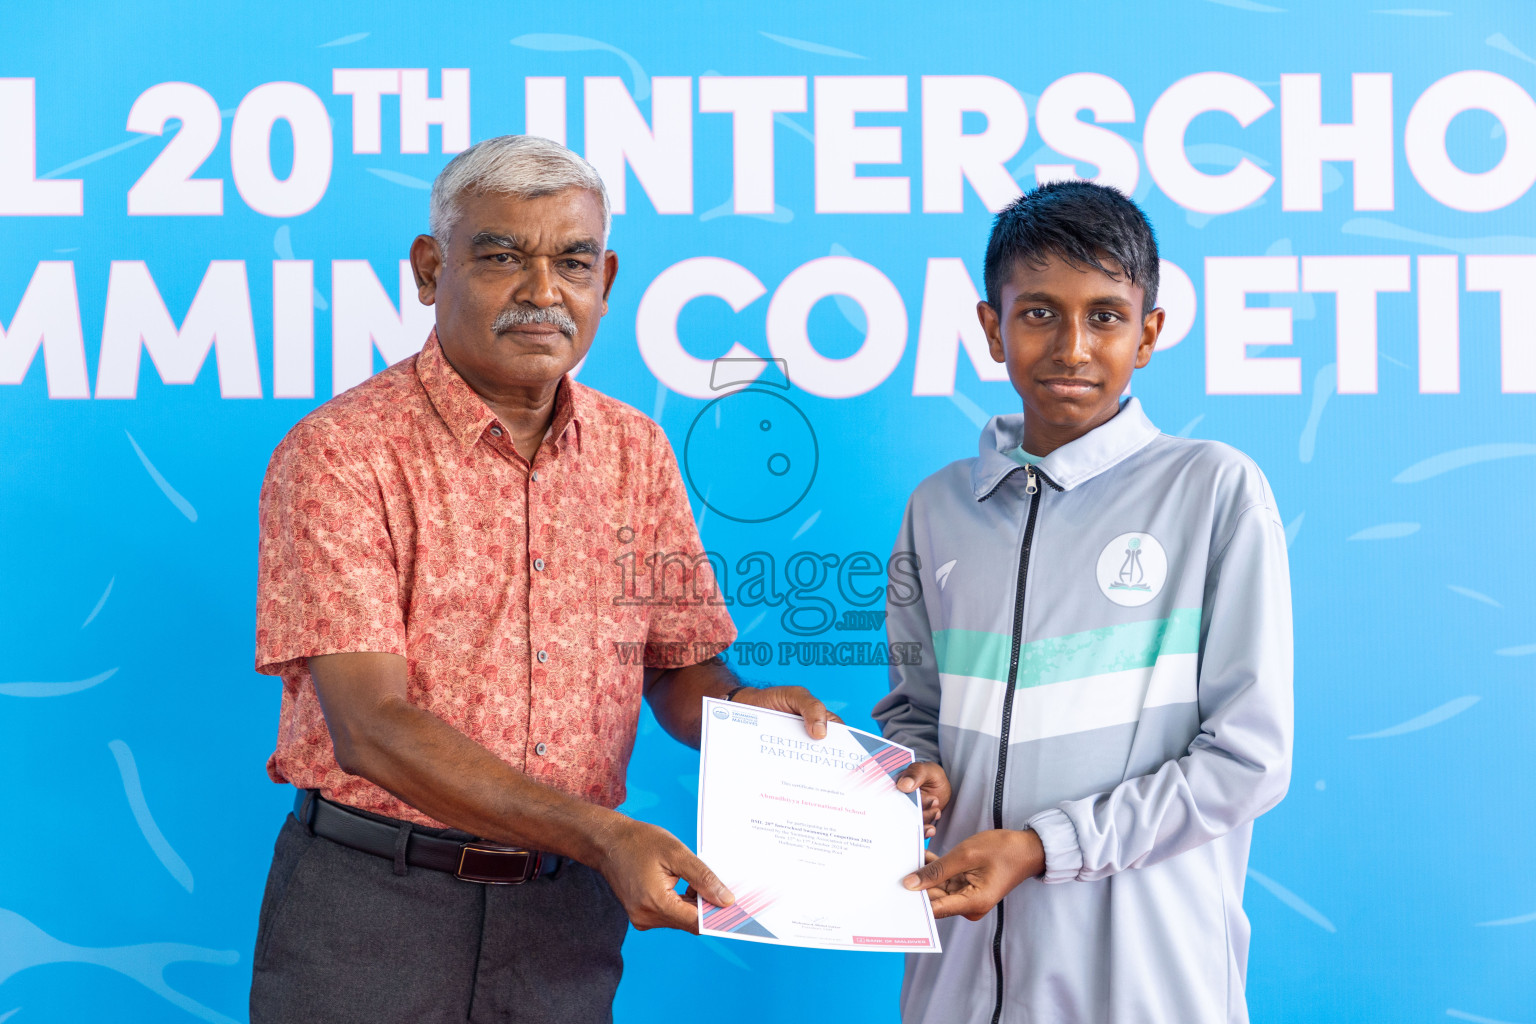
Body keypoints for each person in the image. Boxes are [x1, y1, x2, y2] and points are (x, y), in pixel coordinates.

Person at [248, 135, 840, 1024]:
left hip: (565, 918)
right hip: (373, 907)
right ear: (426, 268)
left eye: (570, 262)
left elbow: (678, 669)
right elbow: (370, 728)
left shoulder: (635, 449)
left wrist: (740, 718)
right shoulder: (339, 456)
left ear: (604, 278)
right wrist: (604, 835)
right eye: (499, 256)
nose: (540, 292)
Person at [874, 181, 1293, 1023]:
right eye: (1038, 313)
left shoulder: (1214, 491)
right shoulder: (937, 508)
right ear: (993, 329)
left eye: (1105, 315)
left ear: (1149, 334)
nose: (1073, 344)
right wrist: (912, 769)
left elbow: (1247, 759)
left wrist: (1040, 848)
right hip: (960, 977)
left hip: (1144, 977)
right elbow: (914, 707)